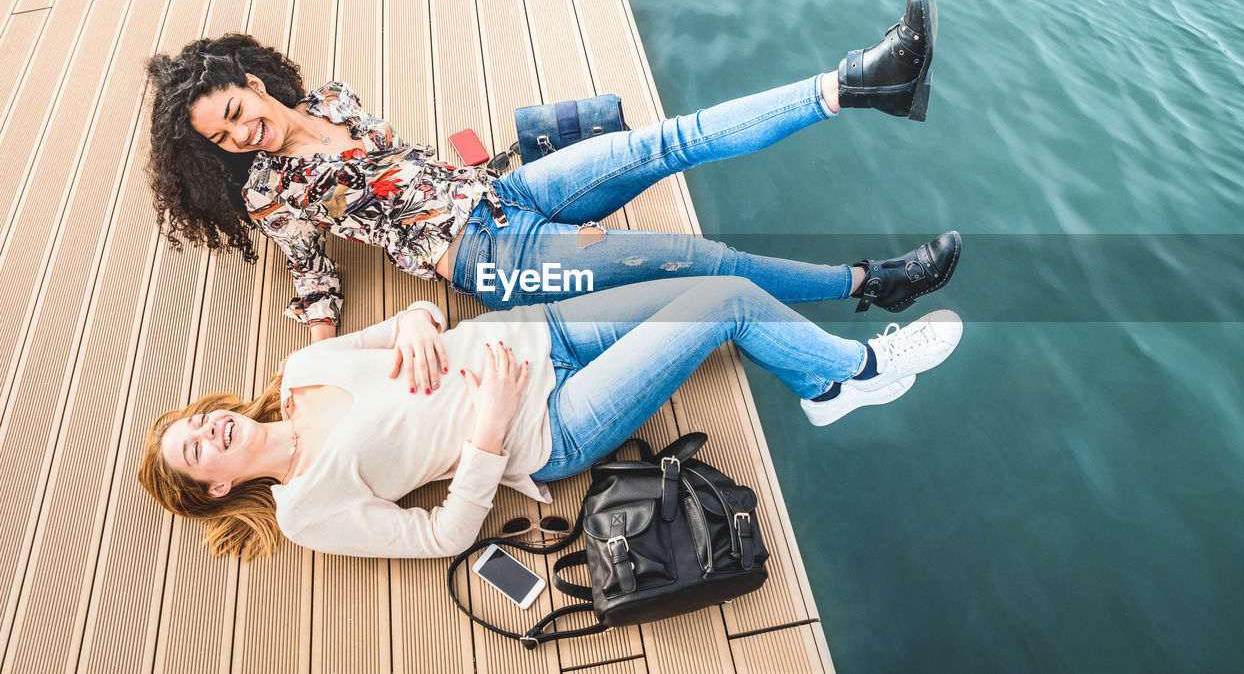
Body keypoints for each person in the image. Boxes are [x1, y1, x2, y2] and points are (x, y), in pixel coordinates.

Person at [143, 0, 958, 378]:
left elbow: (410, 165)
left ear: (244, 80)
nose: (245, 134)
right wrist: (316, 369)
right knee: (703, 262)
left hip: (505, 193)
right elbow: (311, 275)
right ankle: (870, 284)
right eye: (226, 139)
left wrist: (475, 162)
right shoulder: (269, 192)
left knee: (666, 141)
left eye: (235, 111)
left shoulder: (329, 98)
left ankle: (860, 82)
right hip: (492, 260)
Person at [137, 276, 964, 560]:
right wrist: (487, 430)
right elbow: (440, 538)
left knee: (702, 286)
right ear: (213, 488)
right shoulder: (306, 511)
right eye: (195, 452)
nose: (208, 432)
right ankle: (858, 371)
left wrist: (423, 320)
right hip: (548, 424)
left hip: (538, 330)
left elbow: (407, 323)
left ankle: (823, 388)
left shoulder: (299, 369)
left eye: (195, 423)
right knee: (723, 302)